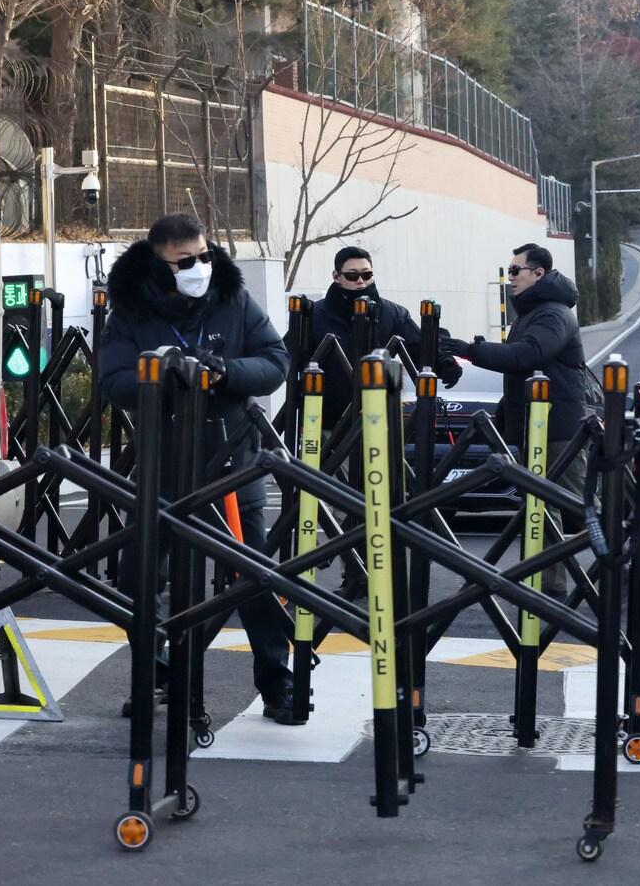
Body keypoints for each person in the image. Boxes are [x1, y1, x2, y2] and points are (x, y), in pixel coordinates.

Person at [100, 214, 301, 724]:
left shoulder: (232, 298)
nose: (200, 268)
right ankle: (158, 674)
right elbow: (113, 380)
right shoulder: (130, 309)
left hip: (231, 459)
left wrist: (227, 372)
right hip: (164, 462)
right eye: (185, 261)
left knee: (253, 573)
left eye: (205, 256)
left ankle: (277, 681)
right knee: (141, 575)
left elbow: (275, 359)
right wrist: (160, 373)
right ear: (158, 264)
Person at [303, 245, 463, 596]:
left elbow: (418, 346)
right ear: (336, 277)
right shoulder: (316, 315)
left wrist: (444, 363)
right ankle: (340, 564)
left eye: (367, 274)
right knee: (333, 497)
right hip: (330, 421)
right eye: (352, 275)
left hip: (378, 422)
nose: (361, 281)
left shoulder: (391, 313)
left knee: (374, 499)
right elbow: (294, 356)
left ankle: (362, 574)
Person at [439, 243, 589, 598]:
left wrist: (469, 351)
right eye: (508, 271)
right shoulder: (532, 313)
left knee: (575, 506)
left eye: (515, 270)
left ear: (538, 273)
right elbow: (522, 367)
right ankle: (548, 584)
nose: (510, 278)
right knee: (542, 504)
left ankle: (619, 562)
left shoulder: (552, 314)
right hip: (536, 426)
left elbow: (526, 355)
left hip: (555, 428)